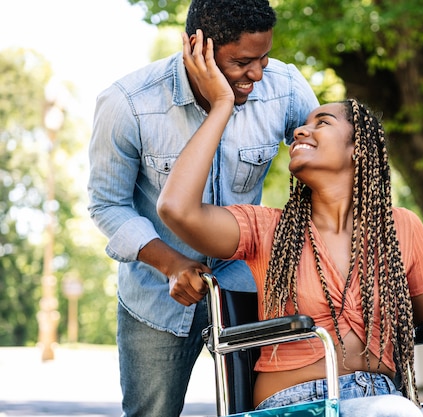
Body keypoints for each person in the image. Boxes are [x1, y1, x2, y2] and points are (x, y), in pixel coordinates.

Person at [156, 34, 423, 417]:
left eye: (321, 123)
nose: (300, 132)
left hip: (384, 400)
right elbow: (176, 209)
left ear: (359, 149)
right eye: (301, 127)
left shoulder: (401, 229)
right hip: (295, 406)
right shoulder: (266, 229)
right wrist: (222, 105)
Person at [86, 0, 319, 415]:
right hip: (156, 297)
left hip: (249, 286)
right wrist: (173, 264)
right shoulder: (127, 103)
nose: (258, 74)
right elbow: (108, 204)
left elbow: (328, 165)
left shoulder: (284, 86)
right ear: (197, 47)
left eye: (264, 57)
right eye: (243, 61)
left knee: (261, 411)